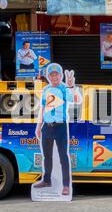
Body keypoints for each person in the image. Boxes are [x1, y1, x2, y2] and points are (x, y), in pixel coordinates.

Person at [34, 63, 81, 196]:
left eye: (57, 74)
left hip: (60, 126)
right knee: (47, 157)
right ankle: (46, 180)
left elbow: (77, 100)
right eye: (51, 75)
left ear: (61, 76)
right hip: (47, 127)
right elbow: (42, 109)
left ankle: (66, 185)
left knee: (63, 157)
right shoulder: (46, 89)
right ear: (48, 77)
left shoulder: (64, 88)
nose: (54, 77)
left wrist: (72, 86)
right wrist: (38, 126)